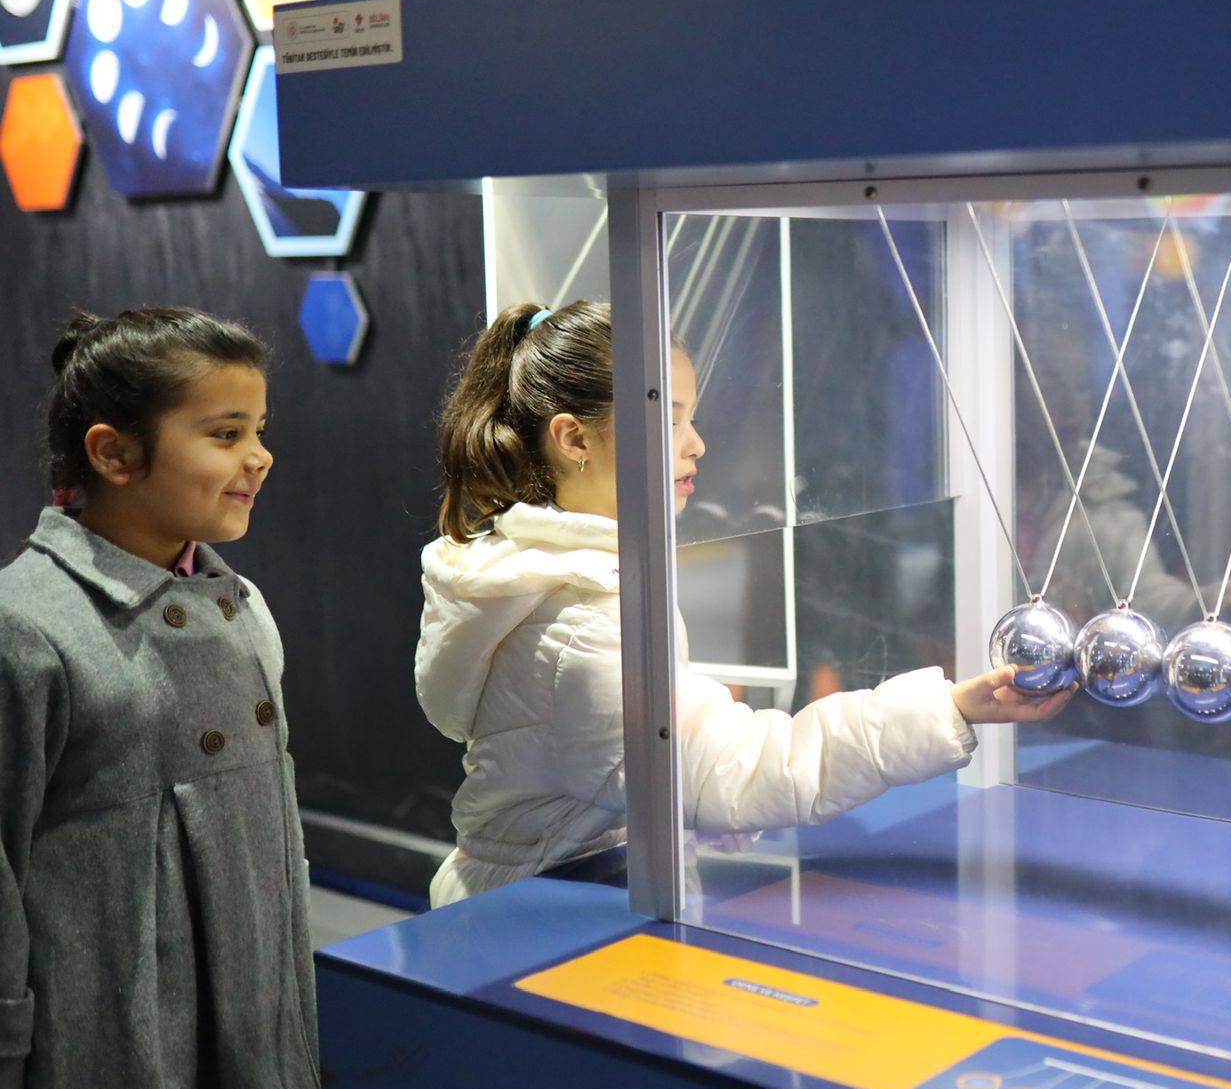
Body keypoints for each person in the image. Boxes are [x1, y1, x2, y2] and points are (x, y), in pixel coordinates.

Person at [416, 301, 1068, 906]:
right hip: (546, 926)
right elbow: (740, 774)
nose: (696, 444)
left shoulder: (559, 580)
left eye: (691, 417)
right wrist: (950, 709)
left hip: (548, 900)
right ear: (575, 439)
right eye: (668, 418)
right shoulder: (582, 627)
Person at [0, 309, 319, 1089]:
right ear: (114, 453)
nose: (259, 457)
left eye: (260, 430)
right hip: (110, 1053)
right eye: (225, 433)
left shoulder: (242, 608)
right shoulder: (24, 626)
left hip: (258, 1035)